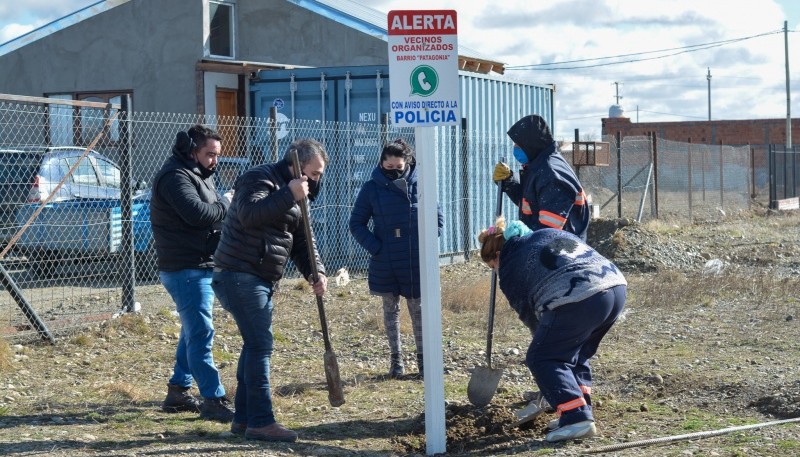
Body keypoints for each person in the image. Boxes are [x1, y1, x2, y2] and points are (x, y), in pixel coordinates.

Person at [211, 138, 329, 442]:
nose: (317, 180)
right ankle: (261, 421)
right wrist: (288, 194)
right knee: (261, 344)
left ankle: (244, 419)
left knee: (254, 344)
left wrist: (316, 272)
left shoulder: (298, 193)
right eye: (314, 173)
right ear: (296, 165)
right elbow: (249, 214)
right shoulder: (258, 178)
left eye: (319, 175)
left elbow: (303, 240)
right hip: (239, 273)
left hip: (259, 277)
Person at [477, 216, 627, 442]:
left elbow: (530, 315)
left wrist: (545, 350)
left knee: (542, 357)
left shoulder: (509, 265)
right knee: (574, 352)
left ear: (497, 256)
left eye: (492, 267)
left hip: (580, 296)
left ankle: (577, 419)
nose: (495, 271)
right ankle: (579, 407)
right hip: (615, 286)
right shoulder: (542, 234)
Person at [150, 124, 235, 422]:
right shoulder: (175, 178)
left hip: (198, 265)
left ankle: (178, 391)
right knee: (201, 333)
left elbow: (210, 214)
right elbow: (199, 215)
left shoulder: (197, 175)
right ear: (191, 150)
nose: (215, 160)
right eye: (210, 154)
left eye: (217, 155)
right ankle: (213, 399)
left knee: (192, 331)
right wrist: (227, 202)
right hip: (185, 268)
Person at [348, 139, 443, 378]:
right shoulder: (371, 188)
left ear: (407, 163)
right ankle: (396, 361)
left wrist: (427, 243)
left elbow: (437, 218)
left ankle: (424, 362)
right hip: (386, 260)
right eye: (387, 167)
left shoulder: (422, 184)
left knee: (418, 311)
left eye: (397, 168)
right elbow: (356, 223)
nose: (392, 172)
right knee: (391, 311)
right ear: (381, 163)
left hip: (414, 260)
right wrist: (376, 248)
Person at [492, 114, 590, 241]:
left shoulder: (552, 175)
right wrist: (509, 181)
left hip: (562, 253)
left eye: (518, 144)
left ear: (530, 144)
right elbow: (532, 202)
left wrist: (520, 239)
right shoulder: (538, 167)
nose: (515, 148)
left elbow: (548, 233)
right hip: (551, 249)